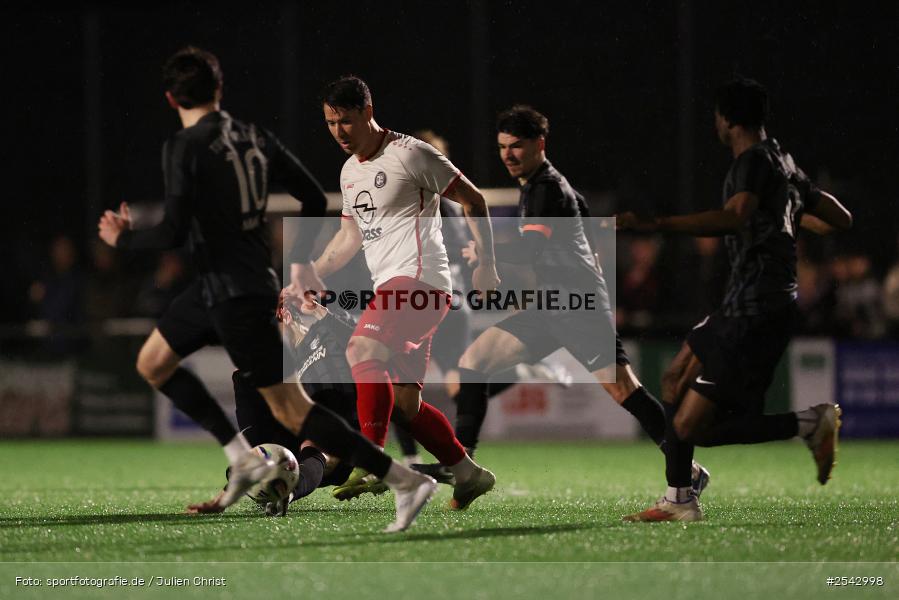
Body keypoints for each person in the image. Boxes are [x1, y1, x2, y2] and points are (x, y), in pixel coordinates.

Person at [97, 48, 436, 532]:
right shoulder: (255, 137)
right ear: (218, 91)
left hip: (236, 291)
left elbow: (172, 233)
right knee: (152, 361)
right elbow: (314, 197)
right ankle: (247, 459)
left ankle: (404, 479)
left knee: (291, 409)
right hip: (221, 286)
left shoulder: (184, 146)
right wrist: (299, 266)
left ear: (170, 97)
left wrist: (123, 238)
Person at [618, 77, 852, 522]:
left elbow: (735, 215)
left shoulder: (751, 162)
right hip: (742, 303)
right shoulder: (783, 162)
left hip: (757, 308)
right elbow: (840, 218)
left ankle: (808, 423)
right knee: (673, 381)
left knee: (692, 427)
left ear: (725, 120)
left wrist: (658, 223)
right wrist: (790, 218)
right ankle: (679, 497)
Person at [455, 105, 709, 495]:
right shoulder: (544, 187)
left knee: (624, 389)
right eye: (502, 147)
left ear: (540, 144)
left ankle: (687, 470)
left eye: (516, 146)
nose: (507, 154)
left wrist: (486, 254)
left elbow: (529, 251)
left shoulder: (546, 189)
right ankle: (464, 466)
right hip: (549, 305)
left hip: (577, 307)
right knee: (474, 362)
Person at [309, 75, 499, 510]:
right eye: (330, 123)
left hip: (420, 282)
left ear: (368, 113)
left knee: (362, 349)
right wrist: (309, 276)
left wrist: (487, 264)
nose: (339, 132)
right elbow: (347, 240)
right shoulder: (350, 171)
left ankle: (374, 463)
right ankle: (469, 473)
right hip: (396, 287)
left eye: (347, 122)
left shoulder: (411, 153)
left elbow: (474, 200)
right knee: (406, 405)